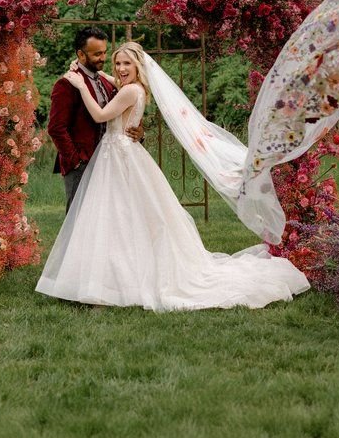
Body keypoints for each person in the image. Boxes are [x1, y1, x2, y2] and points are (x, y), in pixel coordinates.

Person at [36, 42, 309, 311]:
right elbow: (111, 80)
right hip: (120, 154)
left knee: (115, 216)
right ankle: (110, 279)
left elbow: (100, 116)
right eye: (117, 63)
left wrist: (81, 85)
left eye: (127, 63)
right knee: (122, 216)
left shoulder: (129, 90)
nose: (120, 68)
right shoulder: (136, 88)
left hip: (118, 156)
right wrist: (93, 74)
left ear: (138, 66)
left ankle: (108, 283)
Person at [47, 27, 143, 212]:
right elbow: (56, 128)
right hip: (81, 165)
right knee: (78, 218)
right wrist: (76, 161)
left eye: (104, 52)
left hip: (109, 163)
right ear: (81, 55)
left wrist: (138, 131)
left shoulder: (107, 82)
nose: (103, 58)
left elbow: (126, 111)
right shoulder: (67, 84)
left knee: (104, 218)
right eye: (97, 54)